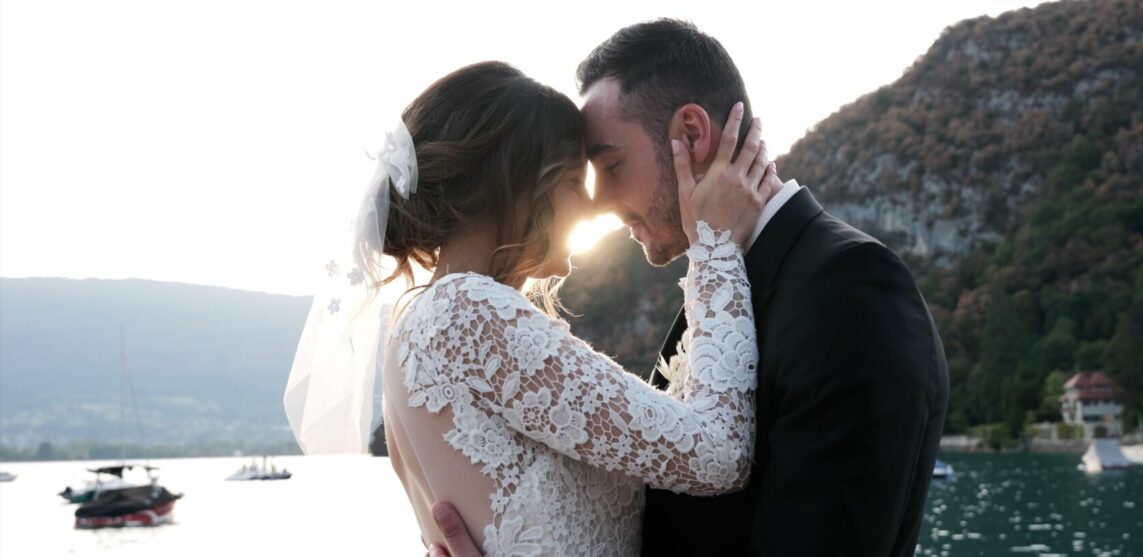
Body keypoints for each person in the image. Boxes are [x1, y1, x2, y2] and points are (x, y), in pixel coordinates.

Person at [431, 20, 950, 557]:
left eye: (610, 165)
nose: (600, 203)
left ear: (692, 135)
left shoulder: (850, 292)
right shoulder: (718, 286)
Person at [284, 60, 777, 556]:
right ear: (517, 186)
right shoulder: (465, 313)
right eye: (572, 182)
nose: (590, 208)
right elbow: (719, 455)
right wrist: (716, 246)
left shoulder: (416, 326)